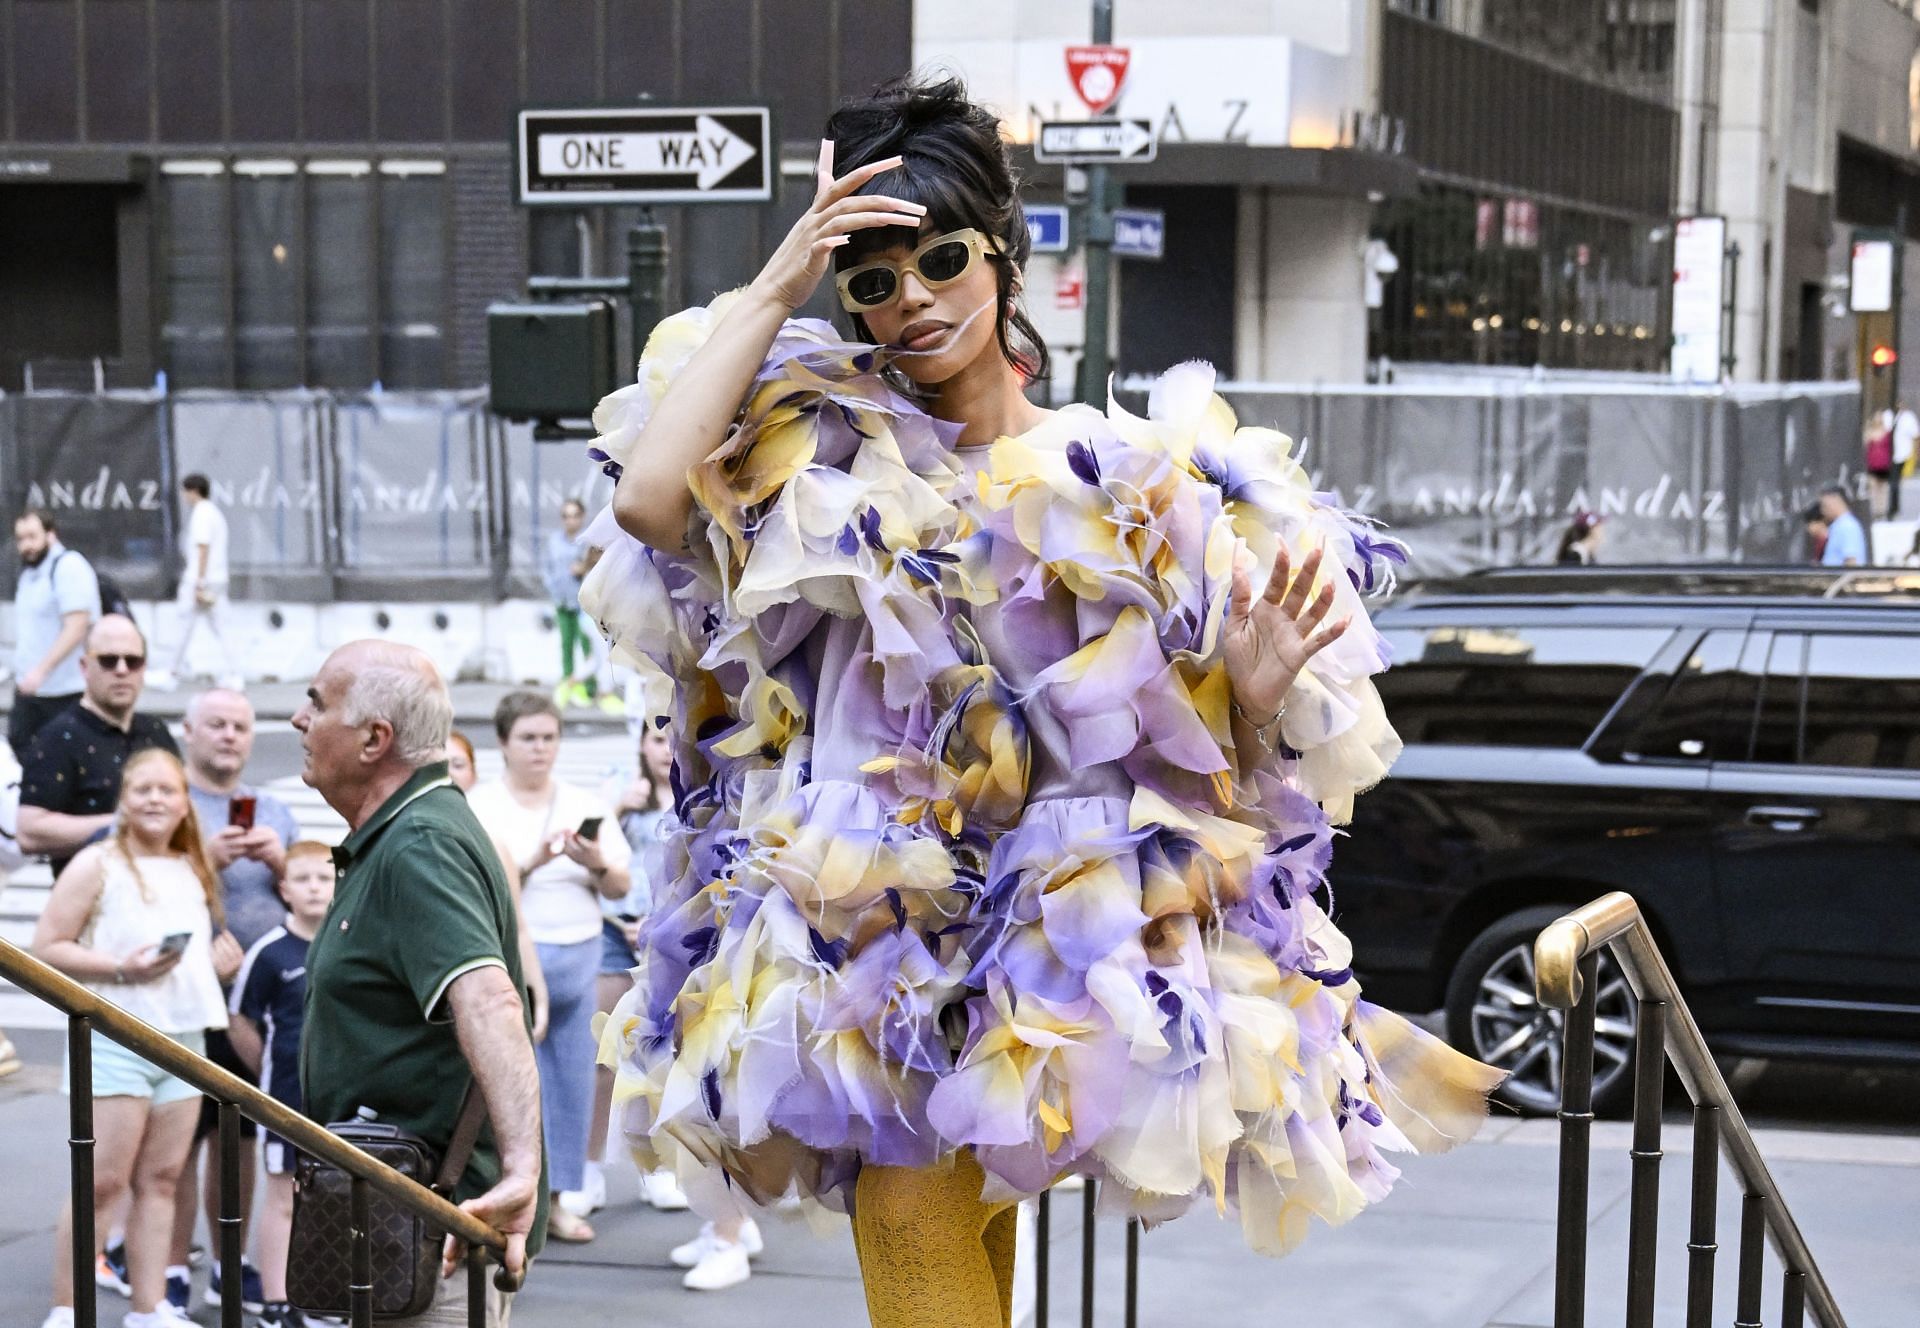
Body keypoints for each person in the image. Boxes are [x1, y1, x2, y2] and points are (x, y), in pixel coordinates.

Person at [587, 75, 1503, 1328]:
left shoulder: (1118, 480)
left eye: (941, 259)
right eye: (874, 278)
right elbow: (648, 501)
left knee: (934, 1243)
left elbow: (1199, 805)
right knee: (920, 1231)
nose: (911, 299)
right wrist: (779, 279)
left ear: (1001, 257)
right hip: (874, 954)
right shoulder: (830, 454)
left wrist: (1246, 692)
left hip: (1038, 963)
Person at [292, 640, 546, 1326]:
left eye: (316, 704)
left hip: (430, 1227)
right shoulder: (403, 831)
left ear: (376, 738)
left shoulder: (420, 843)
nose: (296, 719)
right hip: (393, 1219)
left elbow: (492, 1001)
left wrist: (524, 1172)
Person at [33, 748, 243, 1328]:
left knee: (163, 1180)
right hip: (116, 1038)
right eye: (142, 789)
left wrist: (216, 963)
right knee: (102, 1182)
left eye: (167, 790)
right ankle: (67, 1309)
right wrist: (121, 968)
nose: (155, 799)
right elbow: (47, 946)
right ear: (124, 799)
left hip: (184, 1041)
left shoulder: (191, 865)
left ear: (184, 804)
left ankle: (150, 1309)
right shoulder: (97, 862)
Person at [150, 689, 298, 1315]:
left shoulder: (274, 808)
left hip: (251, 1000)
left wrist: (280, 860)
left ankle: (228, 1260)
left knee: (236, 1138)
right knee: (180, 1140)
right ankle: (172, 1263)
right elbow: (142, 886)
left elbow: (307, 892)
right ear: (188, 731)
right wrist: (201, 860)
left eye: (240, 726)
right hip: (182, 993)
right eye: (216, 724)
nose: (229, 736)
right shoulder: (169, 801)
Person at [464, 693, 629, 1244]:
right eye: (528, 738)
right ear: (504, 743)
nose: (540, 748)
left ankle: (557, 1202)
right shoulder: (482, 805)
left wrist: (594, 863)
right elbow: (480, 887)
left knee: (571, 1083)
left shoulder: (584, 802)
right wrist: (533, 863)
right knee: (512, 1087)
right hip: (512, 956)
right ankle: (513, 1203)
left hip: (579, 948)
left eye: (549, 737)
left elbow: (621, 886)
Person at [226, 840, 335, 1328]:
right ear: (284, 889)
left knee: (332, 1198)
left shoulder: (347, 944)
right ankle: (276, 1300)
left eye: (325, 878)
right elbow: (240, 1019)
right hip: (286, 1097)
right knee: (285, 1195)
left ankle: (323, 1296)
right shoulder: (270, 952)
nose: (315, 888)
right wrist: (267, 1070)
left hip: (341, 1099)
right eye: (304, 879)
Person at [18, 615, 181, 881]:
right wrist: (123, 824)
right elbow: (29, 831)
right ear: (85, 666)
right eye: (108, 660)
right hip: (89, 900)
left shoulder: (155, 732)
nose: (121, 670)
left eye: (133, 661)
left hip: (161, 892)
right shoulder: (58, 738)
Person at [447, 730, 549, 1044]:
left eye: (457, 764)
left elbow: (516, 926)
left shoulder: (489, 842)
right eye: (438, 763)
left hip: (482, 992)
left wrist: (537, 994)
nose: (448, 773)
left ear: (473, 776)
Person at [10, 509, 101, 756]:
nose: (26, 545)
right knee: (21, 757)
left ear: (50, 535)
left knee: (60, 762)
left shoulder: (69, 566)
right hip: (30, 691)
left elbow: (77, 625)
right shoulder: (30, 573)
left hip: (64, 692)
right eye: (20, 539)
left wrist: (42, 670)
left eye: (32, 536)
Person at [154, 474, 237, 692]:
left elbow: (202, 547)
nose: (183, 496)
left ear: (192, 491)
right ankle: (234, 674)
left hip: (200, 580)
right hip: (217, 578)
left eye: (184, 491)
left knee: (183, 625)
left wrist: (199, 581)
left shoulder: (201, 514)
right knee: (221, 626)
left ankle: (171, 672)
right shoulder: (215, 514)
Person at [543, 498, 599, 709]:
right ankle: (568, 683)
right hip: (562, 600)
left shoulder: (587, 540)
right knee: (566, 644)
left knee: (588, 645)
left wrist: (583, 567)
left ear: (582, 517)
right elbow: (547, 567)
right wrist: (552, 587)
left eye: (575, 515)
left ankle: (591, 685)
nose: (570, 521)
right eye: (566, 516)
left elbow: (597, 564)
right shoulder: (554, 541)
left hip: (583, 602)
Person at [1818, 485, 1868, 566]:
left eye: (1824, 506)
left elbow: (1852, 562)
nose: (1822, 511)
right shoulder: (1838, 525)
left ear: (1835, 499)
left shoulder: (1848, 526)